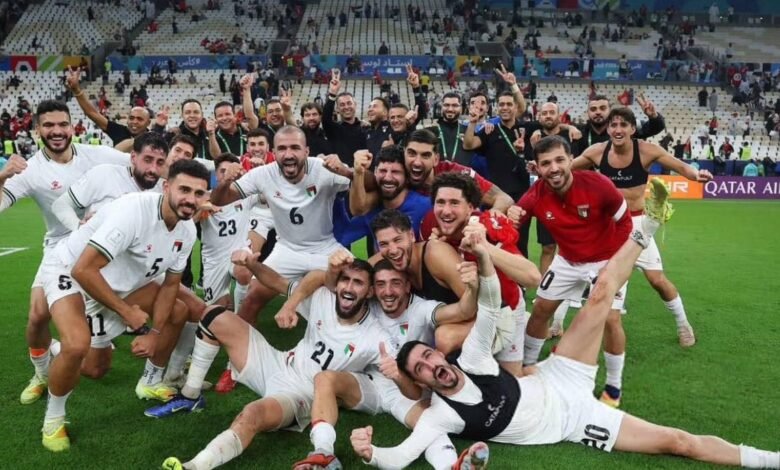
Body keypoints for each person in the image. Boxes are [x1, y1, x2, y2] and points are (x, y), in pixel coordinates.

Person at [352, 180, 780, 470]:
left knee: (601, 295)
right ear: (420, 381)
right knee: (678, 443)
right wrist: (370, 452)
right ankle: (768, 460)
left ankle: (648, 222)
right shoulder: (440, 417)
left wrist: (482, 256)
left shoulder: (476, 360)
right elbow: (399, 457)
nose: (433, 365)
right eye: (422, 369)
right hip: (573, 419)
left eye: (429, 356)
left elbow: (489, 303)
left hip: (560, 374)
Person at [155, 255, 394, 470]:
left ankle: (194, 466)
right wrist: (252, 264)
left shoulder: (375, 337)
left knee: (252, 414)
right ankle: (191, 395)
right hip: (278, 362)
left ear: (370, 292)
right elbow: (278, 281)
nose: (349, 288)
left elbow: (398, 374)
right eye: (345, 280)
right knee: (214, 315)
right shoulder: (323, 298)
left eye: (358, 283)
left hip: (300, 393)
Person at [38, 159, 209, 451]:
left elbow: (170, 286)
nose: (191, 199)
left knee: (98, 367)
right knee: (76, 346)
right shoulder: (133, 212)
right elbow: (83, 270)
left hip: (116, 285)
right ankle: (53, 420)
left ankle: (150, 382)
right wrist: (127, 311)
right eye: (184, 189)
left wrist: (154, 333)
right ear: (166, 187)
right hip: (71, 271)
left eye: (199, 193)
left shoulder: (187, 231)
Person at [281, 255, 479, 469]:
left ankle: (449, 465)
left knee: (426, 421)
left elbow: (463, 310)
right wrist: (291, 303)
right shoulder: (366, 300)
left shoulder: (421, 309)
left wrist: (474, 287)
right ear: (372, 290)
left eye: (396, 283)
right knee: (325, 379)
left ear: (407, 286)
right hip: (369, 379)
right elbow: (322, 278)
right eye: (381, 284)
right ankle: (323, 454)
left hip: (401, 384)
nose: (388, 291)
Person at [0, 100, 129, 407]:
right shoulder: (30, 169)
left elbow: (141, 162)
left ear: (73, 127)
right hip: (59, 247)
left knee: (96, 368)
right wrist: (2, 177)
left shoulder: (97, 155)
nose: (56, 131)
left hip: (103, 247)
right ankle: (41, 374)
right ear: (37, 131)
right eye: (48, 125)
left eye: (62, 124)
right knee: (37, 316)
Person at [210, 126, 351, 391]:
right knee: (252, 297)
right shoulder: (263, 173)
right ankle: (235, 367)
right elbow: (221, 200)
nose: (288, 154)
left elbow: (367, 189)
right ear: (273, 152)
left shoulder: (322, 168)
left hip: (325, 247)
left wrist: (349, 172)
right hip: (287, 249)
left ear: (306, 151)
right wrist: (225, 181)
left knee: (354, 295)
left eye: (295, 148)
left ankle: (352, 360)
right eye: (282, 148)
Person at [573, 107, 713, 356]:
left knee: (657, 280)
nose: (618, 130)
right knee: (606, 282)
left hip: (638, 225)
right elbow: (567, 169)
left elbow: (681, 167)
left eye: (623, 125)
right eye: (613, 125)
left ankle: (683, 325)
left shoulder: (647, 150)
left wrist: (696, 174)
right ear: (608, 129)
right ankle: (587, 331)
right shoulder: (597, 152)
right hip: (609, 227)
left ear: (632, 129)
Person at [419, 172, 541, 375]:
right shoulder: (430, 226)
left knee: (513, 380)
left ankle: (539, 373)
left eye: (454, 203)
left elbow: (533, 277)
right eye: (440, 202)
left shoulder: (487, 226)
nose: (446, 211)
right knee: (447, 339)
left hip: (506, 309)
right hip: (472, 312)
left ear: (470, 208)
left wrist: (484, 247)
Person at [65, 66, 151, 147]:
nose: (134, 122)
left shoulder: (154, 139)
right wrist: (76, 90)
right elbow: (91, 113)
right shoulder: (119, 131)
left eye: (140, 119)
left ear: (148, 123)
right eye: (131, 118)